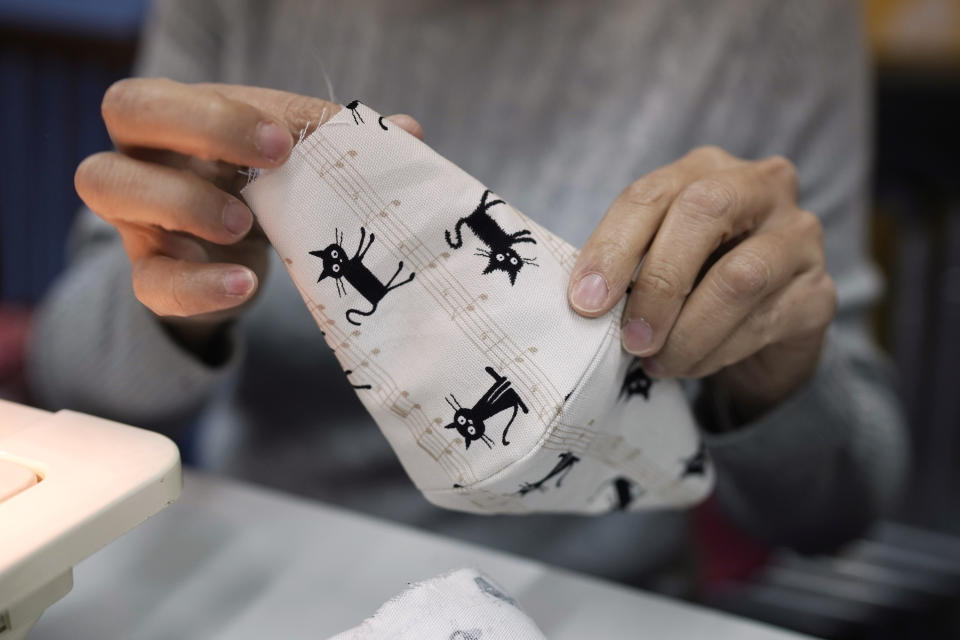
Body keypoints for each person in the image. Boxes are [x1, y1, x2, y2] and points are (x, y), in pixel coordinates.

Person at [28, 0, 907, 586]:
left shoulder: (769, 21)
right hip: (263, 574)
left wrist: (772, 373)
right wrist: (181, 287)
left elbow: (838, 506)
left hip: (594, 600)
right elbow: (73, 378)